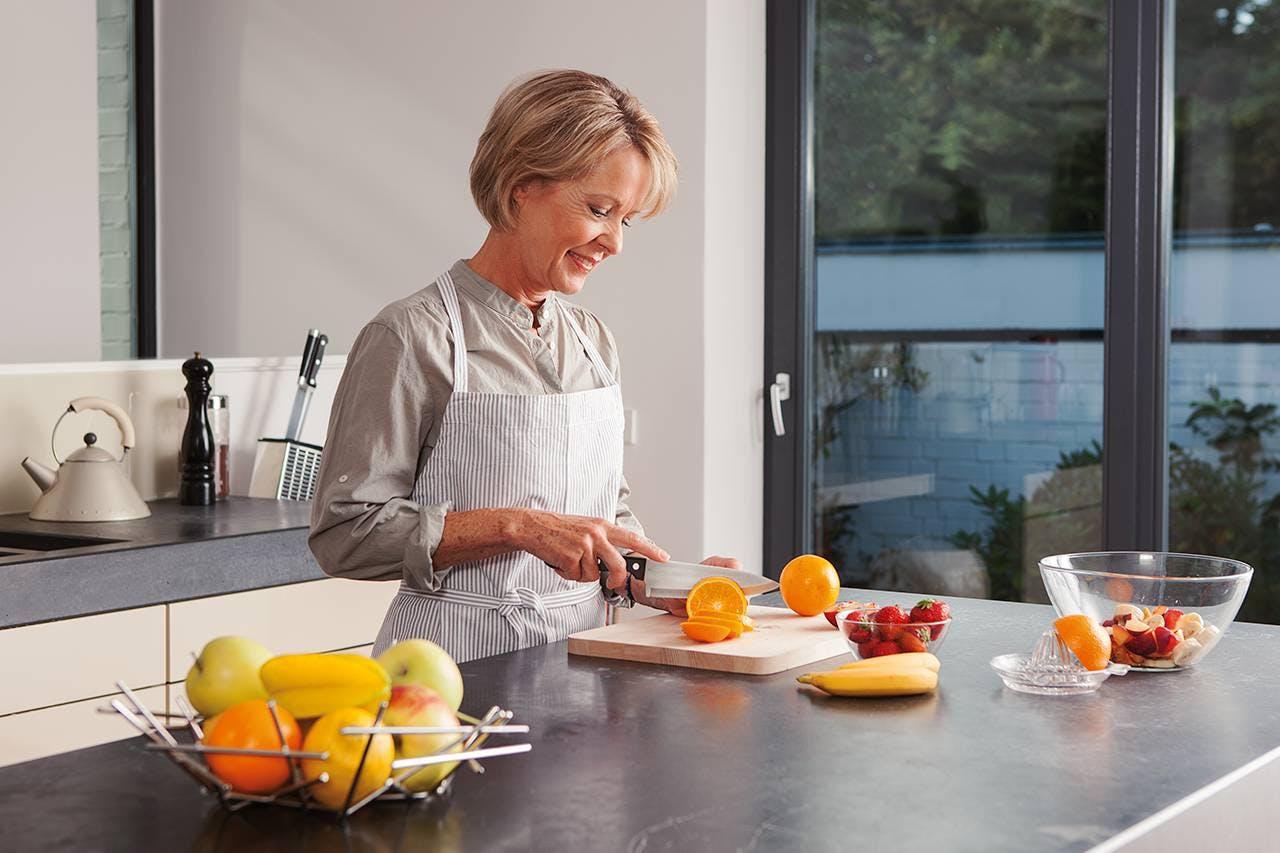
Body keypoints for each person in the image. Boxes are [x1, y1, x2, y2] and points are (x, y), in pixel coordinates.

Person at [309, 69, 741, 662]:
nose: (613, 242)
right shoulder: (412, 336)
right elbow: (345, 536)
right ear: (521, 186)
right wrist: (516, 527)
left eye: (626, 219)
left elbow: (601, 514)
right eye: (598, 209)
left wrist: (661, 582)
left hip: (585, 662)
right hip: (449, 674)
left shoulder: (592, 340)